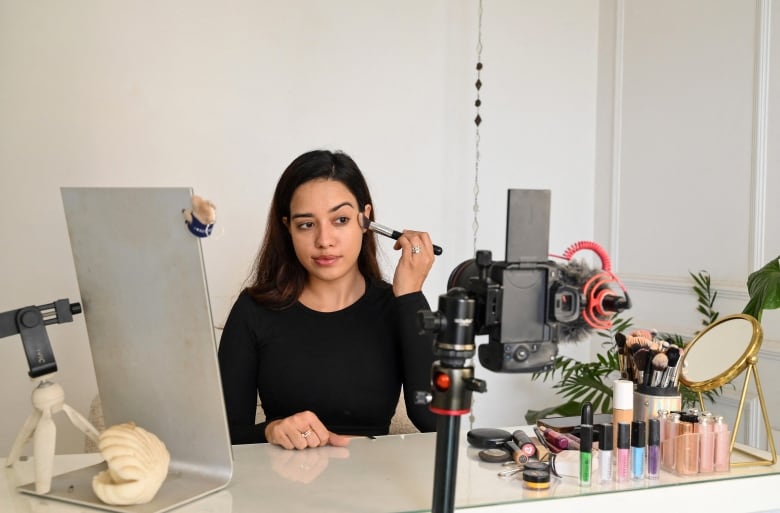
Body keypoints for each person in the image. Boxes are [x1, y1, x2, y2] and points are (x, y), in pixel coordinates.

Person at [218, 149, 438, 449]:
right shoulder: (254, 309)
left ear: (366, 219)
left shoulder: (396, 306)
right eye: (306, 224)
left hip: (375, 484)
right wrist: (270, 431)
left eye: (341, 219)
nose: (324, 240)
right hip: (281, 486)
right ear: (288, 228)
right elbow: (223, 437)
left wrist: (410, 295)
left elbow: (435, 422)